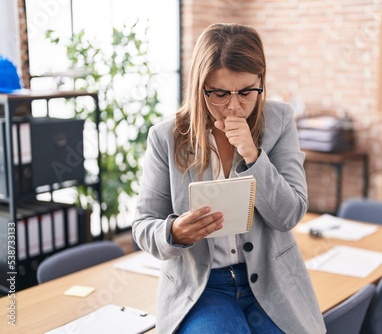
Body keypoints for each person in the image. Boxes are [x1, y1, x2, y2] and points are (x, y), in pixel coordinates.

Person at [132, 23, 326, 334]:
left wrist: (253, 155)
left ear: (261, 81)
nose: (234, 106)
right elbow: (143, 225)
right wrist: (174, 232)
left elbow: (289, 214)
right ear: (200, 86)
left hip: (273, 281)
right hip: (203, 288)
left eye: (247, 91)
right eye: (220, 93)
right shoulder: (165, 137)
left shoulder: (279, 122)